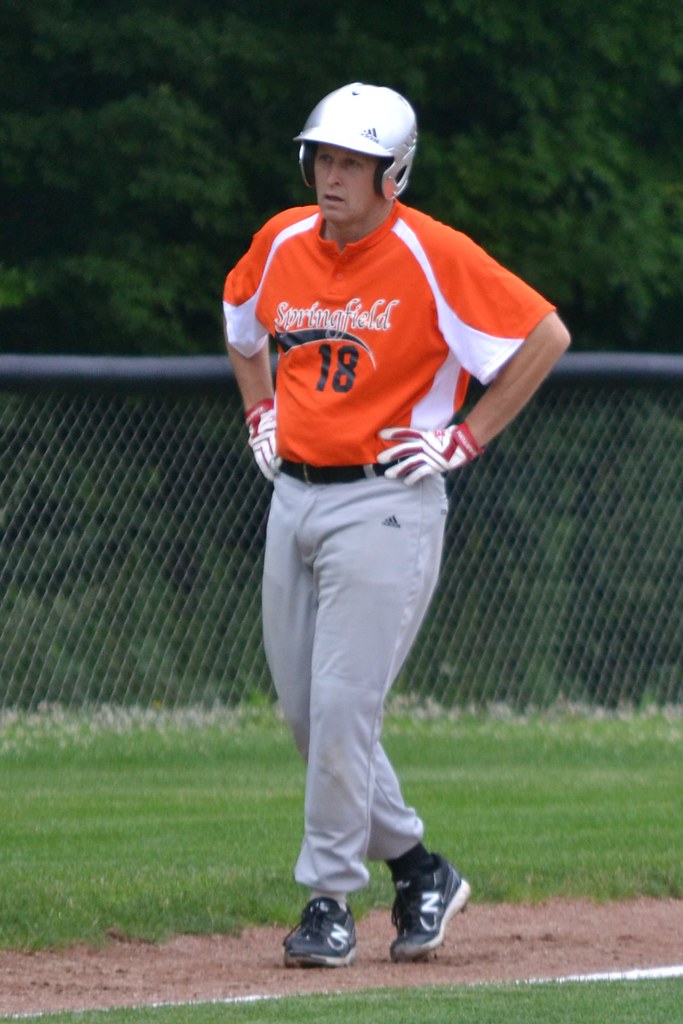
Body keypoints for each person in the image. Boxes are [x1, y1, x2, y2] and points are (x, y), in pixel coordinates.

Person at [222, 82, 570, 969]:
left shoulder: (430, 253)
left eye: (353, 163)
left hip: (385, 500)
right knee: (312, 722)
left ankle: (328, 899)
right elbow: (240, 321)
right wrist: (259, 412)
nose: (332, 176)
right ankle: (420, 867)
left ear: (394, 173)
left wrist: (466, 438)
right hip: (291, 496)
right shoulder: (283, 240)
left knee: (343, 710)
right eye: (323, 158)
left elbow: (543, 336)